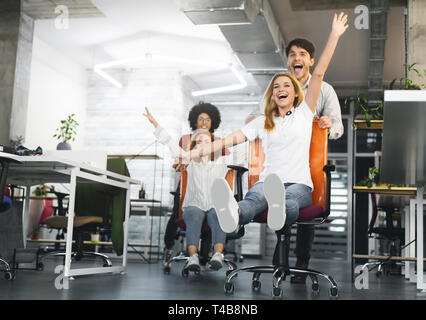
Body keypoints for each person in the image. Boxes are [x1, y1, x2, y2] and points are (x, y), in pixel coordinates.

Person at [178, 12, 348, 267]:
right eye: (276, 87)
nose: (281, 89)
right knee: (251, 202)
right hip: (269, 182)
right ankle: (233, 215)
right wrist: (188, 154)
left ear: (296, 95)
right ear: (271, 95)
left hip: (299, 184)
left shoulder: (304, 113)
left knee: (288, 202)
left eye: (287, 87)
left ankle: (278, 208)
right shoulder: (261, 122)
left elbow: (320, 73)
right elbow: (225, 142)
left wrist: (334, 35)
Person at [144, 106, 237, 274]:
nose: (202, 145)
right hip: (194, 203)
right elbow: (169, 142)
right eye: (198, 142)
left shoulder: (222, 162)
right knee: (194, 213)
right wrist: (155, 123)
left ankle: (217, 255)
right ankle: (192, 257)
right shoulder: (189, 161)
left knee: (218, 213)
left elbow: (241, 149)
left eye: (207, 142)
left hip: (215, 204)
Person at [284, 37, 344, 283]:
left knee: (305, 215)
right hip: (283, 160)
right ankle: (280, 260)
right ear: (288, 61)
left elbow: (338, 126)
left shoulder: (324, 90)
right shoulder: (280, 87)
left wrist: (330, 125)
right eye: (292, 54)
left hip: (311, 164)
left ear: (311, 60)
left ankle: (301, 262)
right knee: (281, 207)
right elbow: (262, 118)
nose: (297, 58)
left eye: (302, 54)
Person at [163, 102, 229, 266]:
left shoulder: (219, 141)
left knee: (211, 212)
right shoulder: (186, 139)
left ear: (213, 121)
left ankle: (206, 255)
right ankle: (169, 246)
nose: (205, 123)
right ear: (195, 121)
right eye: (201, 119)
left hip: (212, 186)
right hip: (190, 183)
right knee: (181, 212)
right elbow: (178, 161)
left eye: (208, 120)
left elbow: (227, 161)